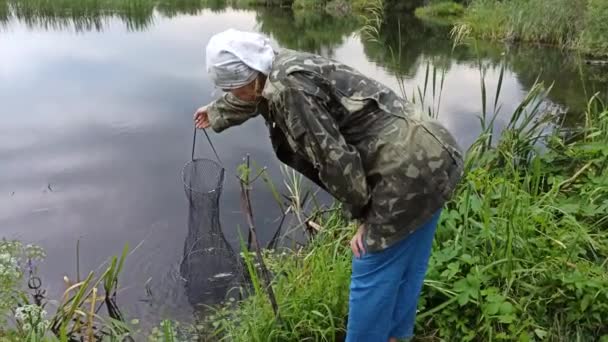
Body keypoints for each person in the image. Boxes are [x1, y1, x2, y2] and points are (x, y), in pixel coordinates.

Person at [194, 29, 464, 342]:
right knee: (408, 263)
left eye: (231, 88)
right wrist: (217, 111)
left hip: (405, 174)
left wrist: (365, 216)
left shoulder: (287, 92)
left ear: (249, 77)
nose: (231, 93)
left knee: (370, 265)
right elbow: (255, 96)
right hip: (436, 152)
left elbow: (336, 162)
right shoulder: (281, 64)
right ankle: (396, 337)